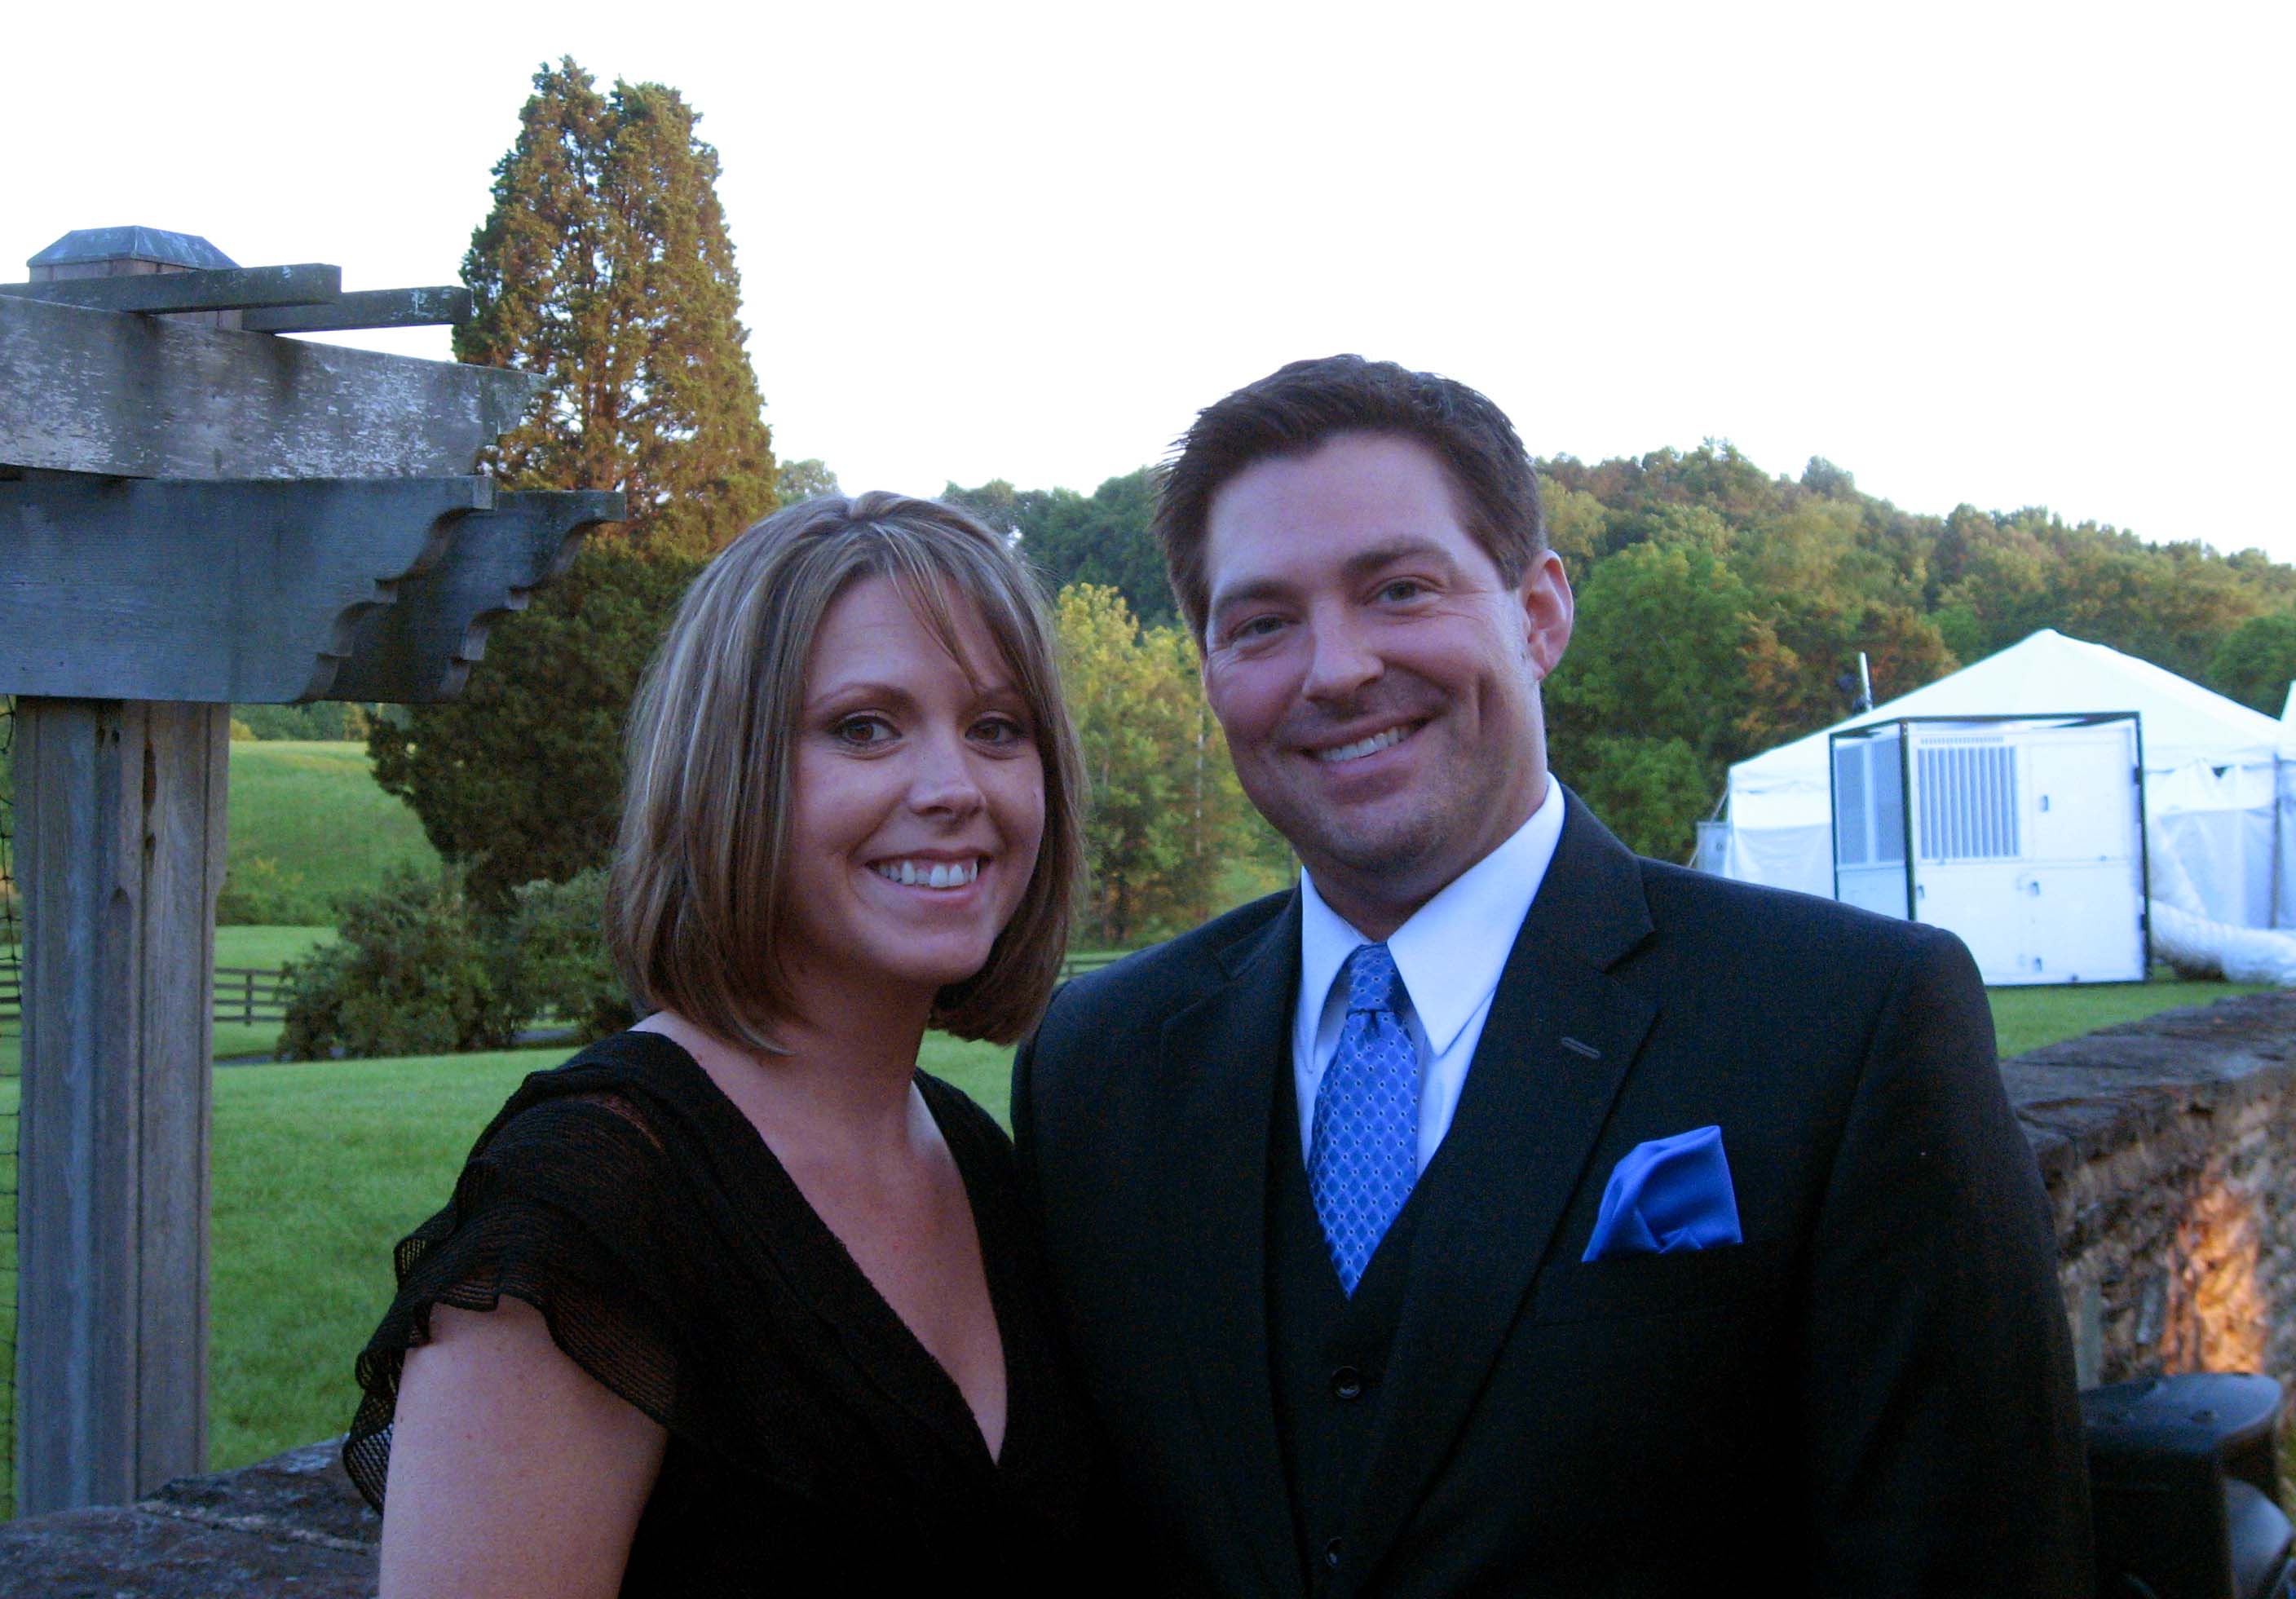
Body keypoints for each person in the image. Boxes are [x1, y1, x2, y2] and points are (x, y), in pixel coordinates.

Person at [1012, 356, 2092, 1596]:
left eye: (1400, 589)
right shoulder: (1099, 1068)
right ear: (1210, 670)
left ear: (1539, 613)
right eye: (1261, 623)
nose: (1337, 668)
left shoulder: (1847, 1023)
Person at [347, 493, 1104, 1596]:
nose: (955, 788)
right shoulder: (592, 1207)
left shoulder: (981, 1164)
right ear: (729, 767)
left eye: (997, 728)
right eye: (865, 727)